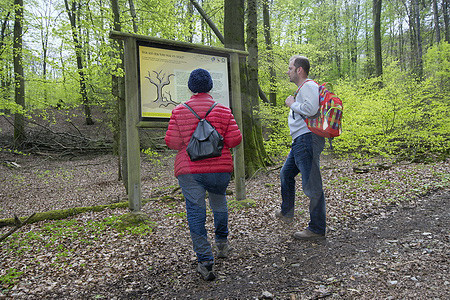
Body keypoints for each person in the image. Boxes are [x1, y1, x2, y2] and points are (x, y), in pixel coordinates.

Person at [165, 68, 242, 281]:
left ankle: (205, 261)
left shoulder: (179, 111)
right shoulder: (224, 111)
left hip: (190, 171)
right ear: (210, 86)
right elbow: (235, 139)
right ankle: (223, 245)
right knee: (219, 204)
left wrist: (190, 140)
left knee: (196, 211)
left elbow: (171, 142)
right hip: (219, 169)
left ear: (190, 87)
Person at [275, 55, 327, 240]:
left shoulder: (309, 86)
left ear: (299, 70)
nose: (287, 72)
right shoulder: (303, 88)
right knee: (286, 174)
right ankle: (287, 212)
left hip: (307, 140)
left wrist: (291, 104)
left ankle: (317, 228)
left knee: (312, 185)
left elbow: (311, 109)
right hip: (300, 141)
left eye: (290, 68)